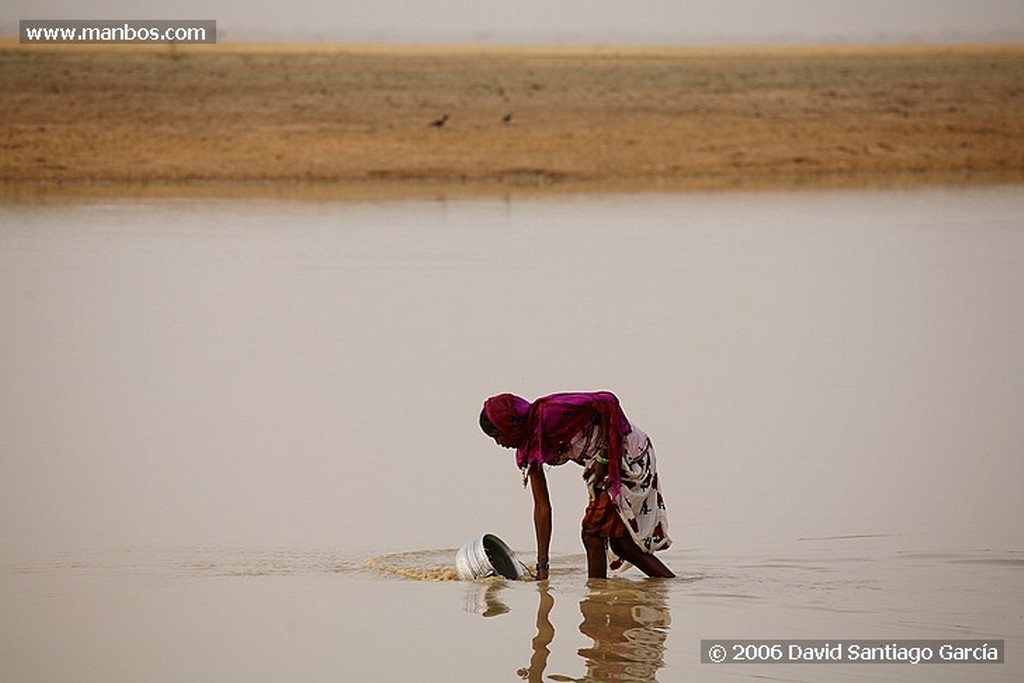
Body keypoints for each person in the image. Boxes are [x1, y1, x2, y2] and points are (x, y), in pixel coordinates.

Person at [480, 391, 674, 580]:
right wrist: (542, 565)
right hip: (601, 464)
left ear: (510, 425)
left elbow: (607, 401)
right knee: (620, 544)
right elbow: (542, 506)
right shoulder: (530, 448)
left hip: (626, 452)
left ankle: (596, 596)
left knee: (592, 532)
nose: (499, 443)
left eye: (498, 435)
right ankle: (667, 583)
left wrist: (604, 456)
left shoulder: (550, 413)